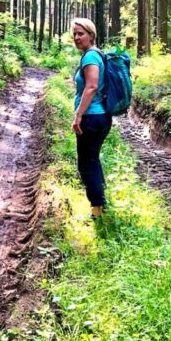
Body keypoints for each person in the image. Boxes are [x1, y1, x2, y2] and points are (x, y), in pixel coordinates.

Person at [71, 18, 112, 219]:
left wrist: (78, 116)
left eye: (81, 33)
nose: (77, 37)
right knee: (92, 160)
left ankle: (97, 210)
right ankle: (101, 205)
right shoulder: (97, 55)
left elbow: (92, 87)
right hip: (100, 116)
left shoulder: (90, 58)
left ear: (92, 35)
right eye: (75, 34)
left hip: (91, 118)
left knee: (87, 163)